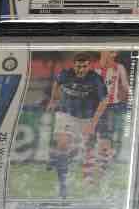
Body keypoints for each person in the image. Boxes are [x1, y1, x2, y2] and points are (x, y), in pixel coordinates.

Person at [46, 53, 108, 199]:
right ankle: (63, 186)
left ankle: (56, 157)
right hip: (66, 114)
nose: (81, 69)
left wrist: (92, 124)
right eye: (78, 66)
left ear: (89, 66)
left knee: (81, 150)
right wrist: (53, 100)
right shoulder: (65, 74)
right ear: (73, 65)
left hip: (86, 118)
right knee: (63, 144)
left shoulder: (96, 79)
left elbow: (104, 101)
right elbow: (57, 83)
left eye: (85, 66)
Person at [84, 51, 130, 185]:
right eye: (106, 50)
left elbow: (126, 86)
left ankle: (100, 175)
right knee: (90, 141)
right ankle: (89, 176)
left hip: (110, 108)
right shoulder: (93, 68)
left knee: (105, 143)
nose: (108, 53)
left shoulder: (119, 67)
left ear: (114, 54)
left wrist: (133, 97)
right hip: (93, 107)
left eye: (112, 51)